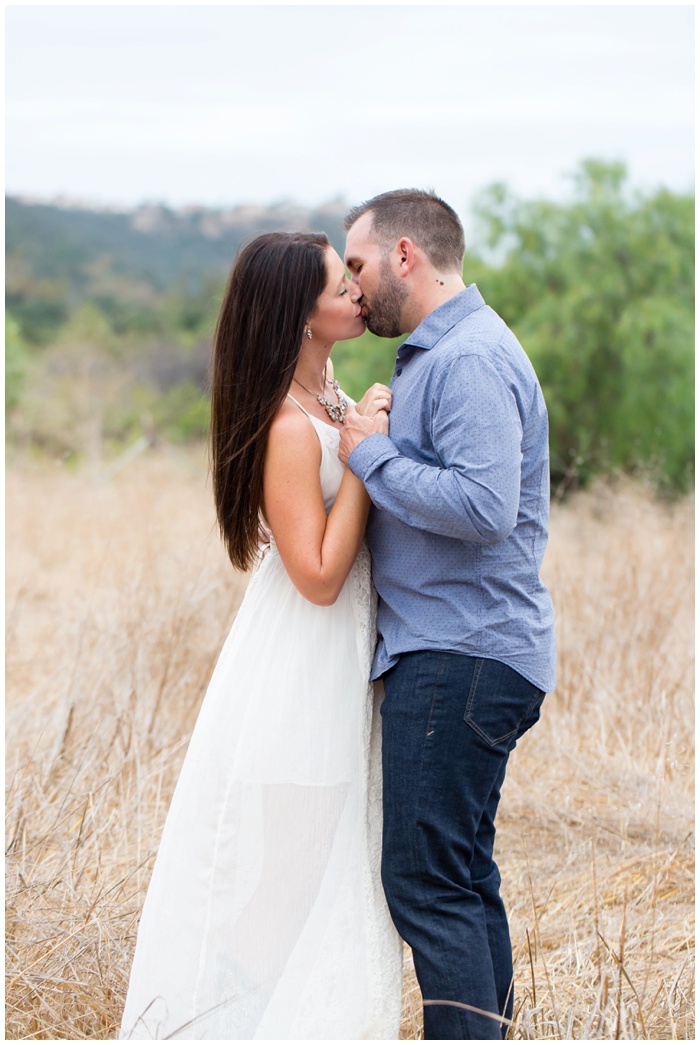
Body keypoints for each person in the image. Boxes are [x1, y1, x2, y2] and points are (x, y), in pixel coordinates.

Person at [119, 231, 403, 1040]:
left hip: (340, 659)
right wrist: (363, 460)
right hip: (302, 668)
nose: (355, 290)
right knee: (289, 878)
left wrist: (361, 431)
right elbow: (315, 575)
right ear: (296, 313)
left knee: (316, 871)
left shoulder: (329, 401)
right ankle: (214, 1022)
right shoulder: (288, 425)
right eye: (336, 284)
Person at [338, 189, 556, 1040]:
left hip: (459, 651)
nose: (353, 290)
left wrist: (370, 456)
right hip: (467, 649)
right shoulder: (442, 352)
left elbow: (484, 503)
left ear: (403, 255)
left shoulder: (466, 357)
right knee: (459, 875)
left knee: (425, 883)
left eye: (357, 266)